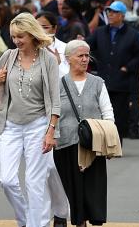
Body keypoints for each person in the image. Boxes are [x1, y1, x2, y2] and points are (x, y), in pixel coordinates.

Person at [0, 13, 64, 227]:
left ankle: (38, 224)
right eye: (14, 36)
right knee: (6, 180)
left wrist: (51, 131)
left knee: (35, 182)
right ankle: (25, 219)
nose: (16, 41)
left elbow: (54, 98)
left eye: (21, 36)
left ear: (33, 34)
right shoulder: (8, 56)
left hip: (38, 125)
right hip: (10, 125)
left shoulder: (48, 59)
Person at [54, 40, 114, 226]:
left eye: (87, 55)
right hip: (66, 144)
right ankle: (79, 222)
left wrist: (108, 139)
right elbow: (52, 112)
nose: (85, 59)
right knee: (74, 189)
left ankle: (89, 221)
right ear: (68, 59)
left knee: (92, 190)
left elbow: (108, 112)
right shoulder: (58, 84)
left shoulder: (98, 83)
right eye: (80, 55)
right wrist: (52, 134)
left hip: (92, 145)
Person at [87, 0, 139, 141]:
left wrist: (127, 67)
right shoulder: (100, 32)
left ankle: (116, 143)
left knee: (119, 115)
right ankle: (102, 142)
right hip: (103, 80)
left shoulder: (133, 34)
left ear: (122, 15)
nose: (111, 14)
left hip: (122, 81)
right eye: (109, 11)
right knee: (100, 113)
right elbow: (88, 46)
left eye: (114, 12)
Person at [36, 11, 70, 78]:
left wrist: (58, 63)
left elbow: (71, 79)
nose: (40, 31)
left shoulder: (65, 48)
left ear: (54, 28)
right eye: (37, 28)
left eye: (45, 27)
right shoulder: (29, 48)